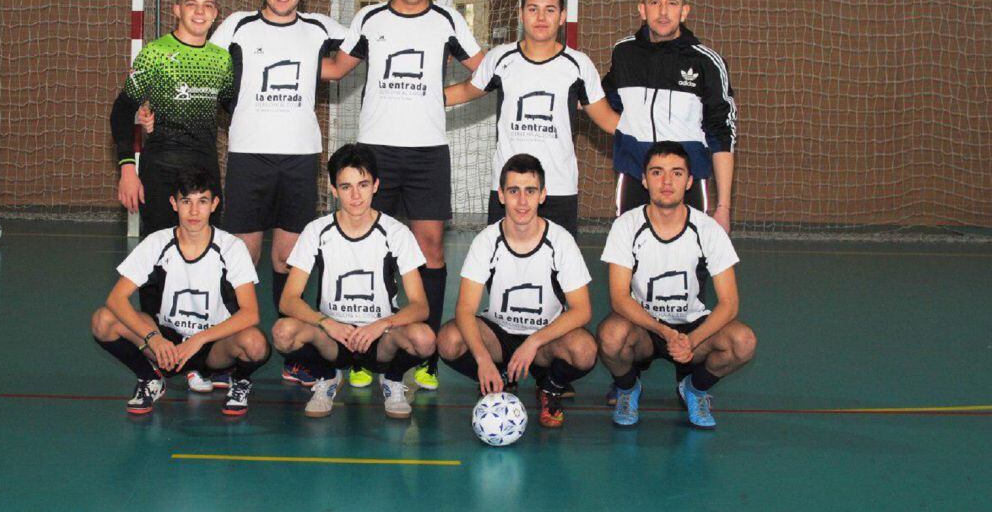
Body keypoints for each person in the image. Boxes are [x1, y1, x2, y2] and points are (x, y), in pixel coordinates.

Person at [322, 0, 485, 391]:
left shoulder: (447, 20)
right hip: (376, 152)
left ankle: (425, 351)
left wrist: (446, 96)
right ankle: (365, 349)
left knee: (429, 249)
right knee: (376, 249)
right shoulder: (369, 19)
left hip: (428, 151)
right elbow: (336, 69)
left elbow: (486, 71)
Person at [596, 142, 756, 429]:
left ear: (690, 181)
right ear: (644, 180)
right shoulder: (626, 226)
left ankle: (694, 389)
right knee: (610, 336)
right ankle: (628, 388)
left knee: (742, 342)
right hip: (645, 327)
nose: (667, 181)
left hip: (693, 328)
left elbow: (729, 303)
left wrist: (691, 340)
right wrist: (663, 331)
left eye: (677, 173)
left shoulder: (708, 230)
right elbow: (619, 298)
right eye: (657, 172)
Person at [270, 143, 435, 419]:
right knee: (282, 333)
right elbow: (288, 300)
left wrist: (382, 324)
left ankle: (392, 379)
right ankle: (327, 377)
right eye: (346, 187)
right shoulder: (317, 231)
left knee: (425, 339)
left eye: (363, 184)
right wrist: (327, 323)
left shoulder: (396, 233)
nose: (356, 196)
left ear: (376, 185)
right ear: (334, 190)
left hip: (380, 337)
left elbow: (420, 306)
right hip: (333, 337)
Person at [444, 0, 618, 236]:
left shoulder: (578, 65)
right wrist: (422, 99)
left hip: (557, 189)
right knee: (502, 268)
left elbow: (607, 119)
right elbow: (466, 91)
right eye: (533, 9)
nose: (541, 17)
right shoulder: (500, 58)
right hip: (509, 189)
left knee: (558, 271)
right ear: (521, 14)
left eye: (550, 10)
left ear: (562, 17)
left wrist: (652, 135)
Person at [90, 167, 269, 416]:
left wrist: (199, 340)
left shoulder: (231, 247)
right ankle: (150, 378)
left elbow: (250, 314)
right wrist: (154, 338)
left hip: (212, 345)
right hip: (167, 344)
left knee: (255, 343)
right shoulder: (157, 242)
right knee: (103, 320)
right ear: (174, 203)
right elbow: (116, 299)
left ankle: (239, 380)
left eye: (202, 201)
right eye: (186, 201)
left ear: (214, 204)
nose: (194, 211)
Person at [436, 154, 596, 429]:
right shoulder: (486, 241)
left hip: (545, 341)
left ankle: (550, 387)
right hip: (499, 336)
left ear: (542, 195)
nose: (522, 201)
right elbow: (464, 309)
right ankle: (498, 377)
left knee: (584, 349)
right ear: (501, 195)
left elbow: (582, 310)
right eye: (514, 191)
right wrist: (483, 360)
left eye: (530, 191)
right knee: (449, 339)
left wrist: (533, 342)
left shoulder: (560, 241)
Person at [602, 0, 736, 232]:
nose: (663, 12)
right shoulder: (624, 53)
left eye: (671, 3)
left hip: (688, 183)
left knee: (690, 264)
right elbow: (603, 102)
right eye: (655, 3)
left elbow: (722, 135)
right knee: (631, 264)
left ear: (684, 11)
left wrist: (723, 207)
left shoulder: (707, 62)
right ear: (642, 9)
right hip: (634, 179)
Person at [110, 0, 234, 238]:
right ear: (177, 9)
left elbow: (234, 108)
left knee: (207, 256)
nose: (200, 12)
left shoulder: (222, 60)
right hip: (160, 170)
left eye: (208, 5)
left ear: (216, 13)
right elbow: (122, 110)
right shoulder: (155, 54)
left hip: (205, 169)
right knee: (159, 255)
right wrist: (127, 168)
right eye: (191, 4)